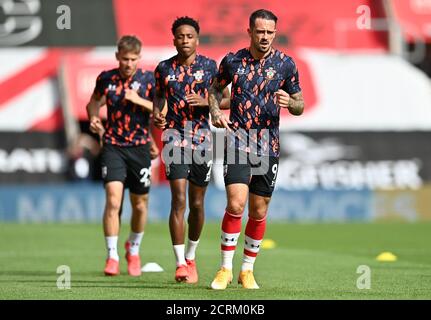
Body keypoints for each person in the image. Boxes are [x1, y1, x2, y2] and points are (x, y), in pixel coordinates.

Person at [208, 9, 305, 289]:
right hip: (238, 140)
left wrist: (291, 102)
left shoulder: (286, 64)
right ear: (249, 31)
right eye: (259, 31)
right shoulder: (233, 61)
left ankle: (247, 270)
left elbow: (300, 105)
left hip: (268, 144)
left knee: (259, 211)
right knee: (236, 203)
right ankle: (225, 269)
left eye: (269, 32)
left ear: (275, 33)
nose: (264, 37)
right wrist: (215, 111)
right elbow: (215, 91)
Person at [153, 17, 230, 283]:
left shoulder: (211, 67)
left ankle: (191, 257)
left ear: (197, 39)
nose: (185, 41)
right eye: (180, 36)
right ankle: (179, 264)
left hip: (203, 141)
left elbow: (228, 98)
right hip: (174, 137)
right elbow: (159, 97)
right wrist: (157, 114)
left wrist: (208, 103)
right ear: (174, 39)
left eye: (190, 36)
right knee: (179, 200)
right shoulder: (163, 68)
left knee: (197, 204)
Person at [86, 35, 159, 277]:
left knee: (139, 205)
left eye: (133, 59)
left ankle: (133, 249)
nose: (129, 63)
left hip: (139, 148)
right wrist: (94, 118)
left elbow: (163, 110)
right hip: (113, 146)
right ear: (117, 57)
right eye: (125, 59)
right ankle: (112, 256)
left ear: (139, 58)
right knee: (114, 200)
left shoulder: (149, 80)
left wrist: (139, 100)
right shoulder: (106, 79)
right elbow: (93, 102)